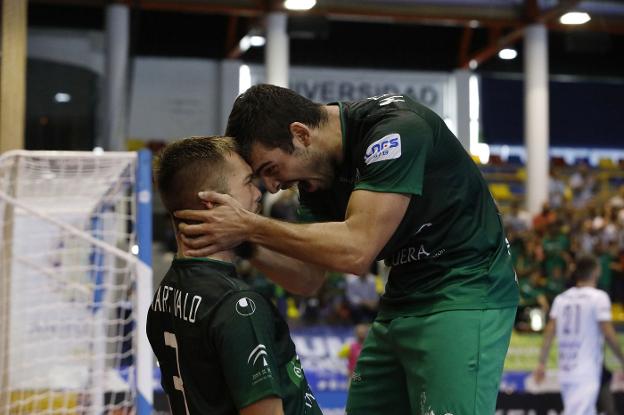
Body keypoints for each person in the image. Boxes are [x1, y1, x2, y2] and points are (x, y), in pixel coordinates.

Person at [175, 85, 519, 414]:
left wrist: (250, 225)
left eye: (270, 169)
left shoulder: (396, 131)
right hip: (404, 297)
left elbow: (356, 251)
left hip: (466, 289)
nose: (272, 186)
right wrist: (245, 245)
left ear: (301, 134)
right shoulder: (315, 178)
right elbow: (309, 279)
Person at [147, 136, 322, 415]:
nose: (258, 193)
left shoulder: (164, 295)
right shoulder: (237, 306)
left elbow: (309, 280)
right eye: (248, 182)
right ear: (212, 203)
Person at [534, 254, 624, 415]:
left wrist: (541, 363)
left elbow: (549, 332)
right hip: (586, 370)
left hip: (566, 368)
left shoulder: (561, 299)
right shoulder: (599, 297)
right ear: (596, 271)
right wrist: (622, 359)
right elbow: (608, 333)